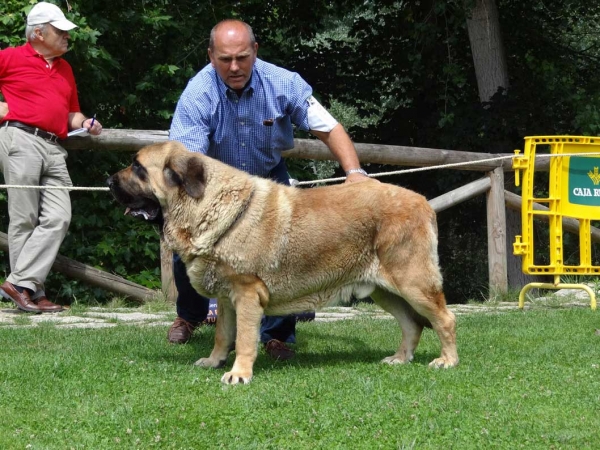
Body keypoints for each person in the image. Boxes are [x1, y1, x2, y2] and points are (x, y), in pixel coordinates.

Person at [168, 19, 368, 358]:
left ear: (255, 52)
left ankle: (277, 336)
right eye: (225, 59)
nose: (234, 67)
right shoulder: (197, 93)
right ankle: (190, 316)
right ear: (210, 56)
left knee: (286, 253)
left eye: (242, 58)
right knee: (187, 245)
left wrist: (355, 173)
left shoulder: (283, 83)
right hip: (214, 184)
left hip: (269, 178)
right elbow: (189, 160)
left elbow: (329, 128)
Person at [0, 2, 102, 313]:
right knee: (24, 219)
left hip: (55, 147)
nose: (67, 36)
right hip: (21, 140)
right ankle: (31, 291)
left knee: (59, 216)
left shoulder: (65, 68)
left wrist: (84, 123)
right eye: (61, 31)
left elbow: (72, 111)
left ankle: (20, 284)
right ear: (39, 33)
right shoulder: (10, 57)